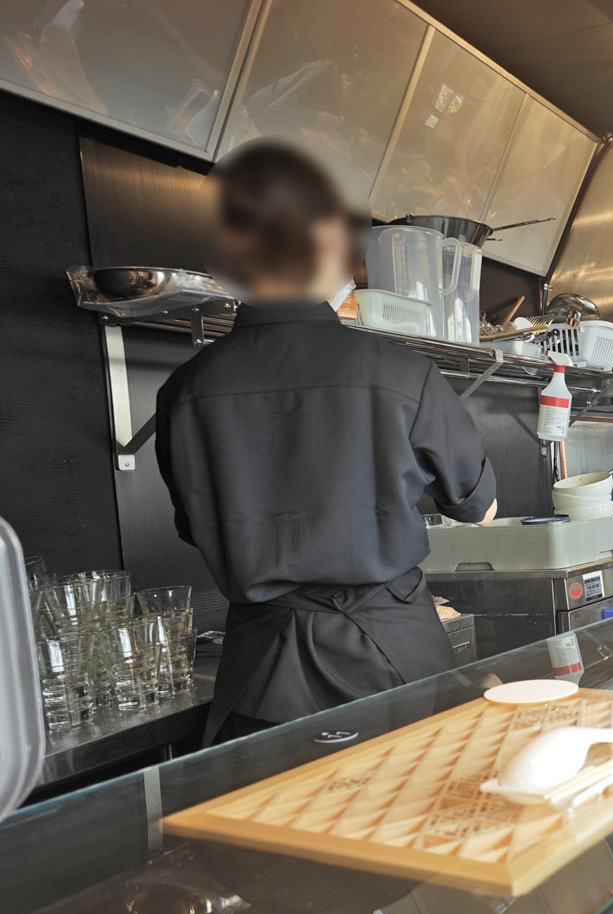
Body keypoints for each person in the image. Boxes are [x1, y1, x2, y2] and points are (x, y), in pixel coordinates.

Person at [156, 142, 498, 743]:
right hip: (393, 658)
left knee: (283, 806)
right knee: (412, 800)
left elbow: (197, 526)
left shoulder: (185, 390)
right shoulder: (402, 373)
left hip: (261, 673)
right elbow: (479, 508)